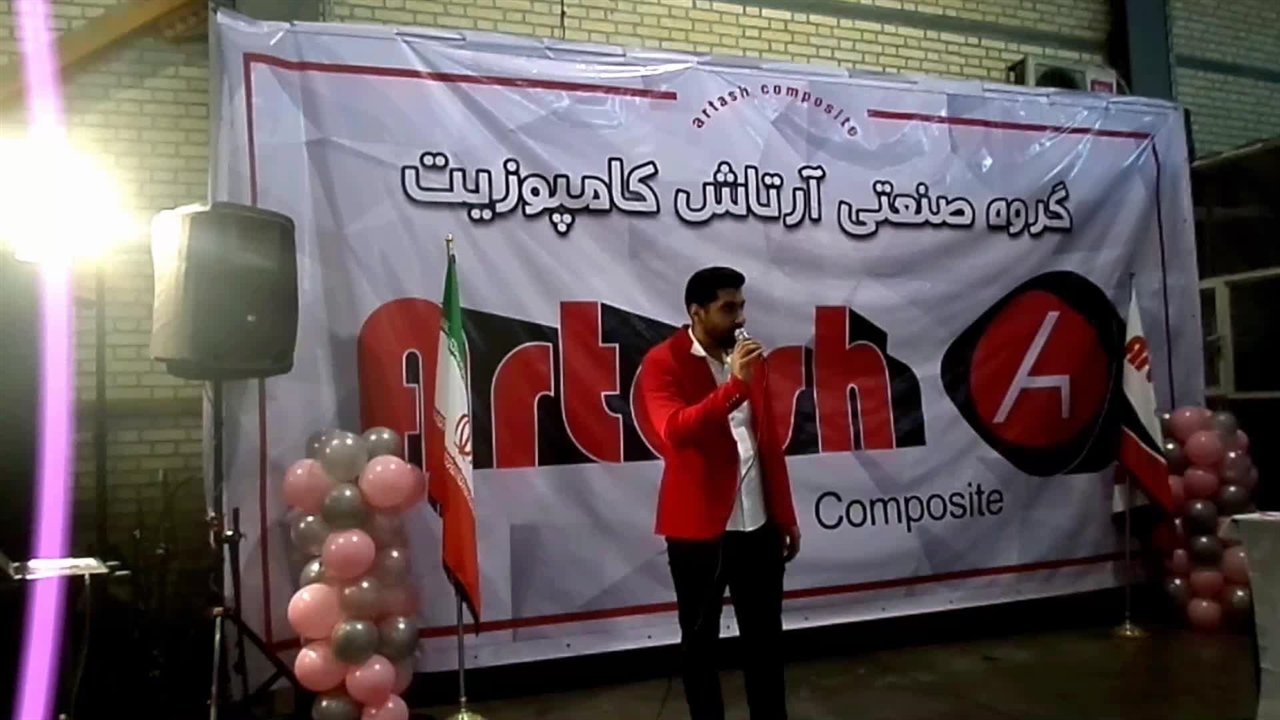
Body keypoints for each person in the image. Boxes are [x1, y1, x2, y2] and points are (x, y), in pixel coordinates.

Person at [635, 266, 800, 720]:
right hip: (698, 529)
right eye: (728, 308)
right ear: (697, 312)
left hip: (759, 522)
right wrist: (734, 387)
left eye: (741, 306)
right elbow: (674, 431)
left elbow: (768, 442)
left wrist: (784, 514)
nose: (740, 317)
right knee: (700, 645)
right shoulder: (663, 362)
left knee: (766, 642)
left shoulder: (750, 357)